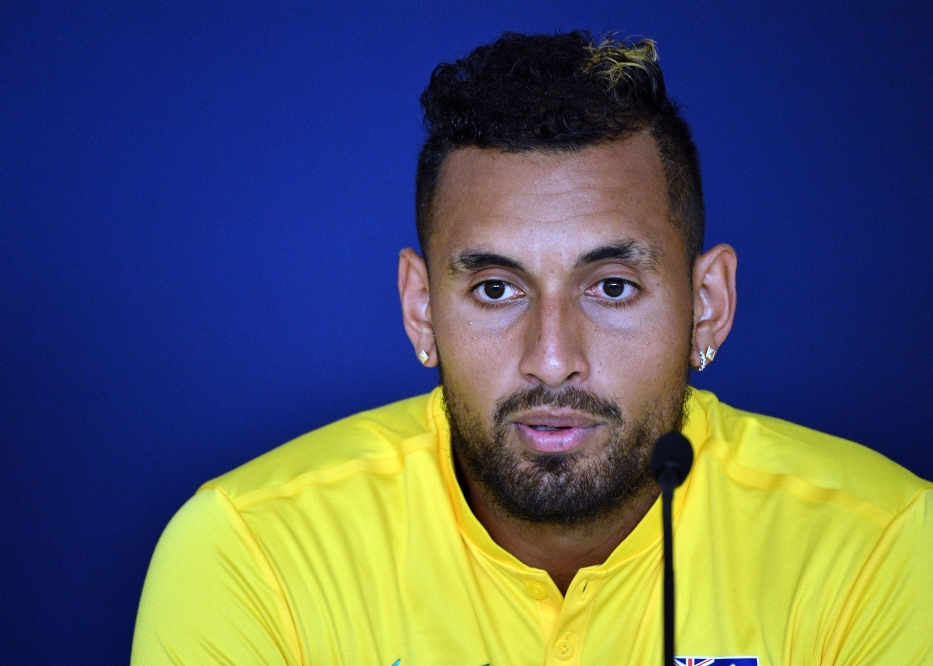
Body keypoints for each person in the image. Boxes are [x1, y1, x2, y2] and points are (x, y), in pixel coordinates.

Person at [131, 31, 933, 665]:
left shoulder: (883, 549)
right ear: (420, 310)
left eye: (612, 287)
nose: (552, 359)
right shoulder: (252, 552)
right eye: (495, 289)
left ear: (707, 308)